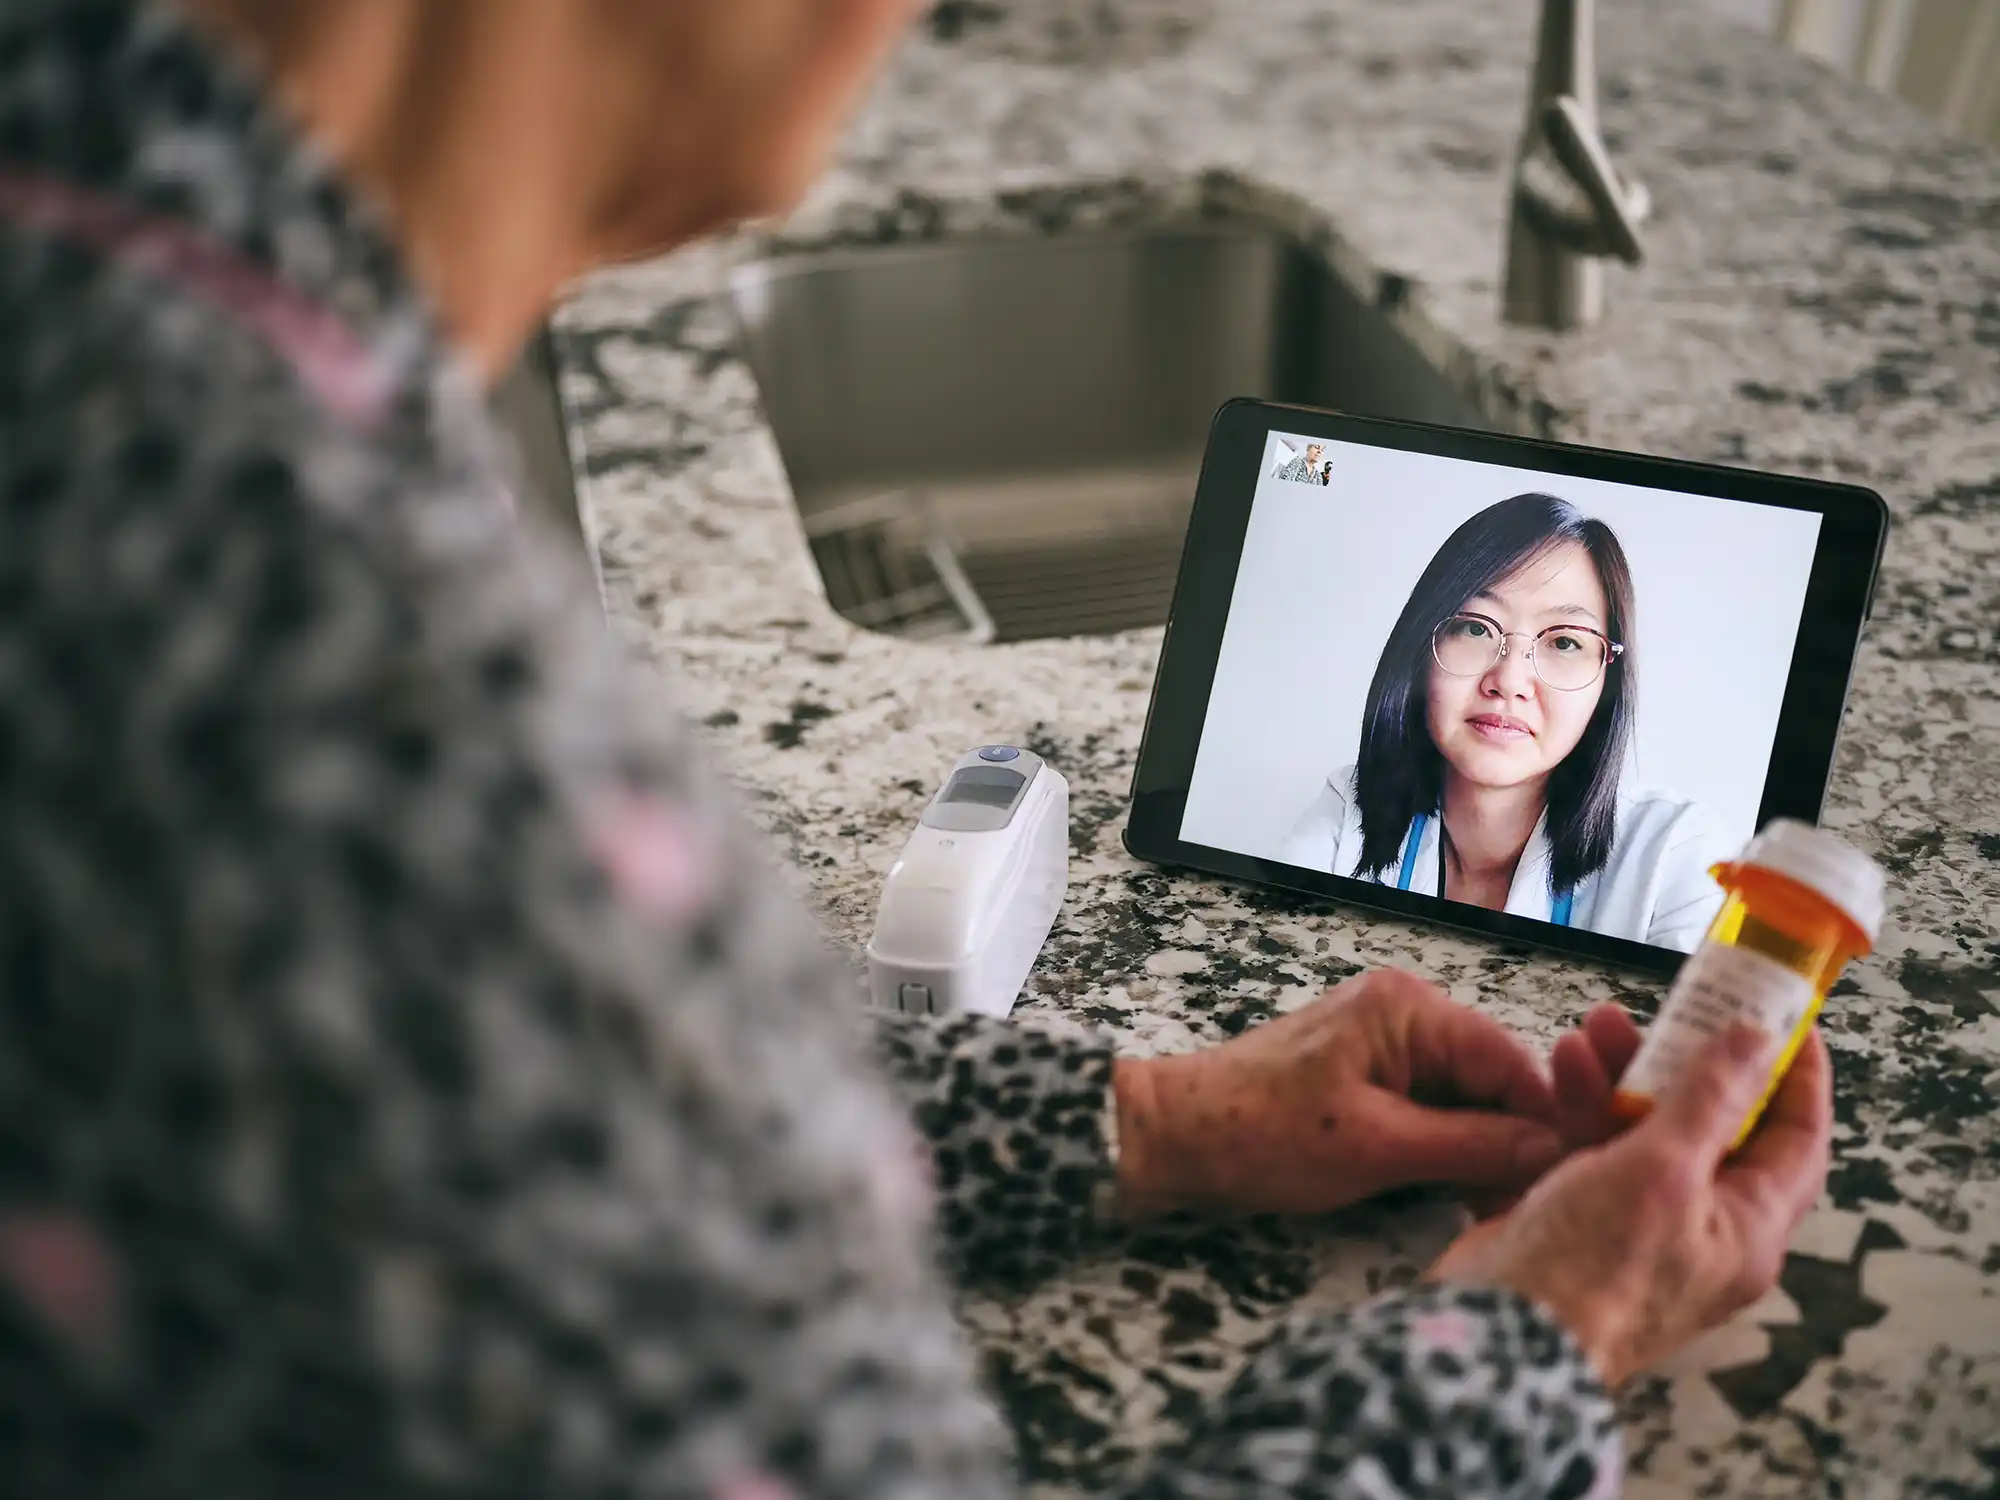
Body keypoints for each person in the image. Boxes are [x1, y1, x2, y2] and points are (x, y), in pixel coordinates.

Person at [0, 3, 1832, 1498]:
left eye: (1571, 642)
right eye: (1478, 624)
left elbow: (461, 1139)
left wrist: (1143, 1119)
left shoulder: (99, 312)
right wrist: (1539, 1342)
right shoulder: (343, 716)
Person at [1280, 493, 1731, 952]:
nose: (1510, 681)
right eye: (1475, 627)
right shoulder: (1349, 812)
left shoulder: (1677, 854)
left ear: (1607, 679)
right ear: (1419, 653)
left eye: (1565, 642)